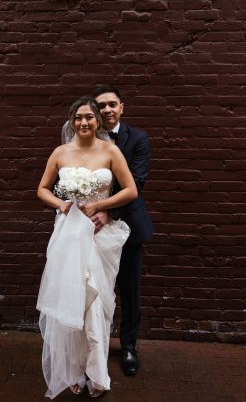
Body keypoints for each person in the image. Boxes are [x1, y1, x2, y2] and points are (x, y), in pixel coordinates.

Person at [36, 96, 138, 399]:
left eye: (89, 117)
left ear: (97, 121)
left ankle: (97, 372)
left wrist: (100, 205)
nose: (83, 122)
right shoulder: (60, 152)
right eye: (78, 117)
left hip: (100, 237)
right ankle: (72, 369)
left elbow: (131, 190)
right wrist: (61, 204)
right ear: (71, 120)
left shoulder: (111, 151)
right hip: (68, 235)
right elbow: (41, 188)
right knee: (71, 302)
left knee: (96, 305)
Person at [90, 85, 153, 377]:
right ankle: (94, 347)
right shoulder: (85, 137)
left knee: (129, 291)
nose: (106, 110)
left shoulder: (138, 138)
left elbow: (136, 184)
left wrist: (106, 210)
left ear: (121, 107)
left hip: (126, 225)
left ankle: (128, 347)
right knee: (93, 291)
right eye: (100, 105)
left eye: (111, 104)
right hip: (91, 230)